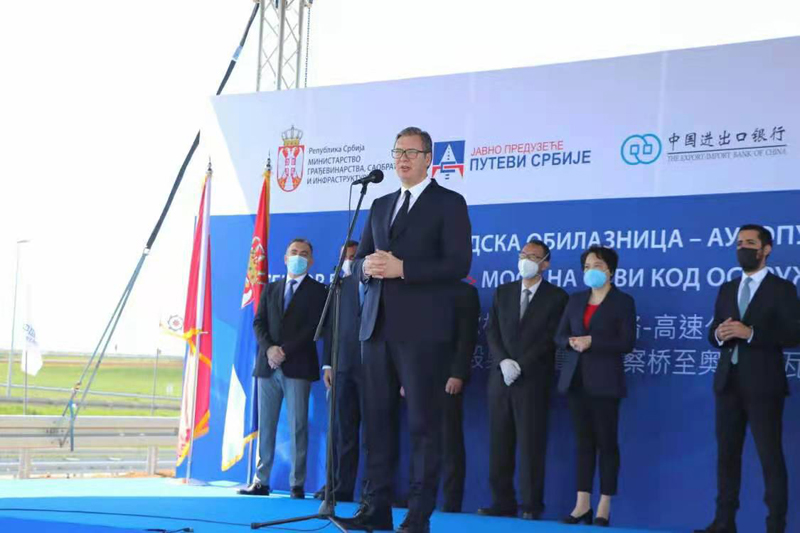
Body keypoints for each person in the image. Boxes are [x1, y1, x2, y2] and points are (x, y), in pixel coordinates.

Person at [340, 126, 472, 533]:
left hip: (423, 332)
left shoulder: (449, 203)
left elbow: (459, 265)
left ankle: (418, 514)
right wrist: (365, 267)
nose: (402, 159)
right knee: (376, 424)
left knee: (422, 426)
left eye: (412, 152)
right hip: (376, 328)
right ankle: (374, 508)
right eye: (398, 152)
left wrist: (404, 269)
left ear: (428, 158)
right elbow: (360, 260)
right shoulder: (380, 204)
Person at [695, 224, 800, 533]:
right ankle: (724, 522)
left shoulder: (782, 289)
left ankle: (775, 525)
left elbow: (794, 334)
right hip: (728, 382)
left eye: (750, 243)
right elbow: (713, 332)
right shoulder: (728, 288)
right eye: (739, 243)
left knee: (770, 456)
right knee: (727, 456)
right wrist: (719, 333)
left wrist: (750, 333)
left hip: (764, 385)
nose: (743, 248)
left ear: (766, 250)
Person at [478, 239, 568, 520]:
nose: (526, 260)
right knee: (499, 443)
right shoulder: (503, 292)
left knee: (531, 445)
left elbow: (551, 338)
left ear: (545, 263)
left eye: (533, 256)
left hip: (533, 380)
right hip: (500, 379)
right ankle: (501, 501)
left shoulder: (557, 297)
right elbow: (492, 331)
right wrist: (503, 361)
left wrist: (521, 364)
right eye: (522, 255)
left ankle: (531, 505)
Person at [238, 238, 326, 499]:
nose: (298, 256)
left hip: (297, 366)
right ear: (285, 258)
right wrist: (269, 349)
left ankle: (297, 484)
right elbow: (258, 323)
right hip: (267, 367)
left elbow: (314, 328)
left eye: (304, 253)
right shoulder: (271, 288)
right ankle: (261, 481)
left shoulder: (319, 291)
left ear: (311, 261)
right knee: (266, 425)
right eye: (294, 252)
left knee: (298, 426)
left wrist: (284, 351)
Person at [556, 245, 636, 527]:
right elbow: (559, 335)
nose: (592, 271)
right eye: (588, 266)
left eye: (598, 265)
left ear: (610, 270)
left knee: (606, 443)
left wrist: (593, 342)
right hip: (576, 380)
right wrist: (571, 342)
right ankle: (582, 505)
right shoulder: (576, 299)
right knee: (583, 443)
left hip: (605, 382)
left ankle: (604, 506)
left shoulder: (622, 301)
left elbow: (627, 342)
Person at [316, 240, 364, 503]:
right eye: (346, 257)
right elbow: (329, 329)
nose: (350, 261)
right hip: (342, 367)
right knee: (340, 431)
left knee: (375, 434)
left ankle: (373, 491)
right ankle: (337, 487)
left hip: (372, 369)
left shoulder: (379, 285)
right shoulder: (337, 288)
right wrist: (328, 364)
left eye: (355, 257)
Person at [440, 279, 480, 513]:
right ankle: (419, 496)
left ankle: (451, 501)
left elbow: (467, 338)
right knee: (420, 440)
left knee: (450, 440)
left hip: (449, 378)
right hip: (419, 377)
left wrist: (458, 373)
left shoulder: (465, 292)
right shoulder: (417, 290)